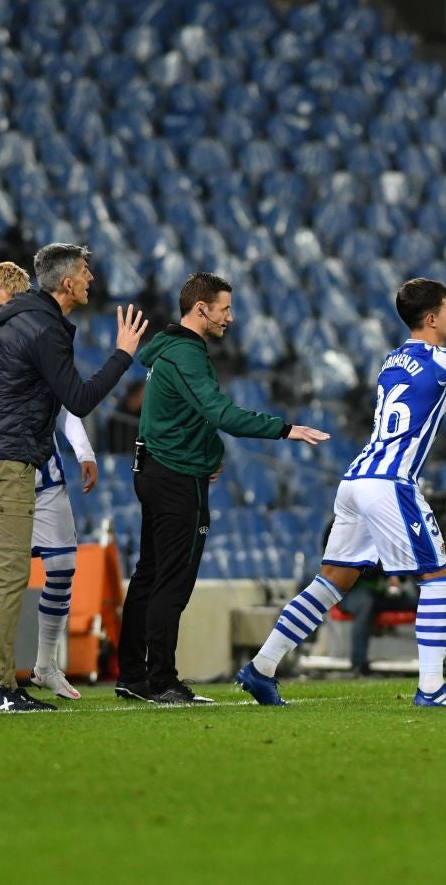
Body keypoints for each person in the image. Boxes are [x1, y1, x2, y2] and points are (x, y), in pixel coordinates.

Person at [237, 278, 446, 708]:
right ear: (433, 317)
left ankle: (262, 667)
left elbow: (437, 399)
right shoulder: (440, 357)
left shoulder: (395, 359)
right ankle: (433, 688)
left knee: (330, 582)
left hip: (356, 482)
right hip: (390, 483)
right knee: (439, 580)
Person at [116, 272, 330, 704]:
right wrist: (285, 429)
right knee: (171, 583)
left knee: (149, 576)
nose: (230, 318)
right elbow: (221, 413)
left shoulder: (169, 350)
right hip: (178, 479)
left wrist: (210, 454)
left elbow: (185, 416)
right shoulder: (188, 353)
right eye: (224, 308)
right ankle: (161, 680)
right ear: (201, 309)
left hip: (156, 470)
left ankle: (133, 675)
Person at [0, 243, 146, 714]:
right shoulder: (44, 328)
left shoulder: (25, 318)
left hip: (0, 453)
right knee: (10, 575)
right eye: (86, 272)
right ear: (67, 283)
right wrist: (123, 356)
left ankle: (0, 681)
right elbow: (80, 398)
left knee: (8, 574)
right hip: (9, 457)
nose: (91, 279)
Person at [0, 262, 98, 701]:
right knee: (0, 577)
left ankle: (45, 665)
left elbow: (65, 400)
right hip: (3, 465)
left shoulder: (39, 333)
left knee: (62, 566)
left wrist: (84, 451)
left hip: (43, 467)